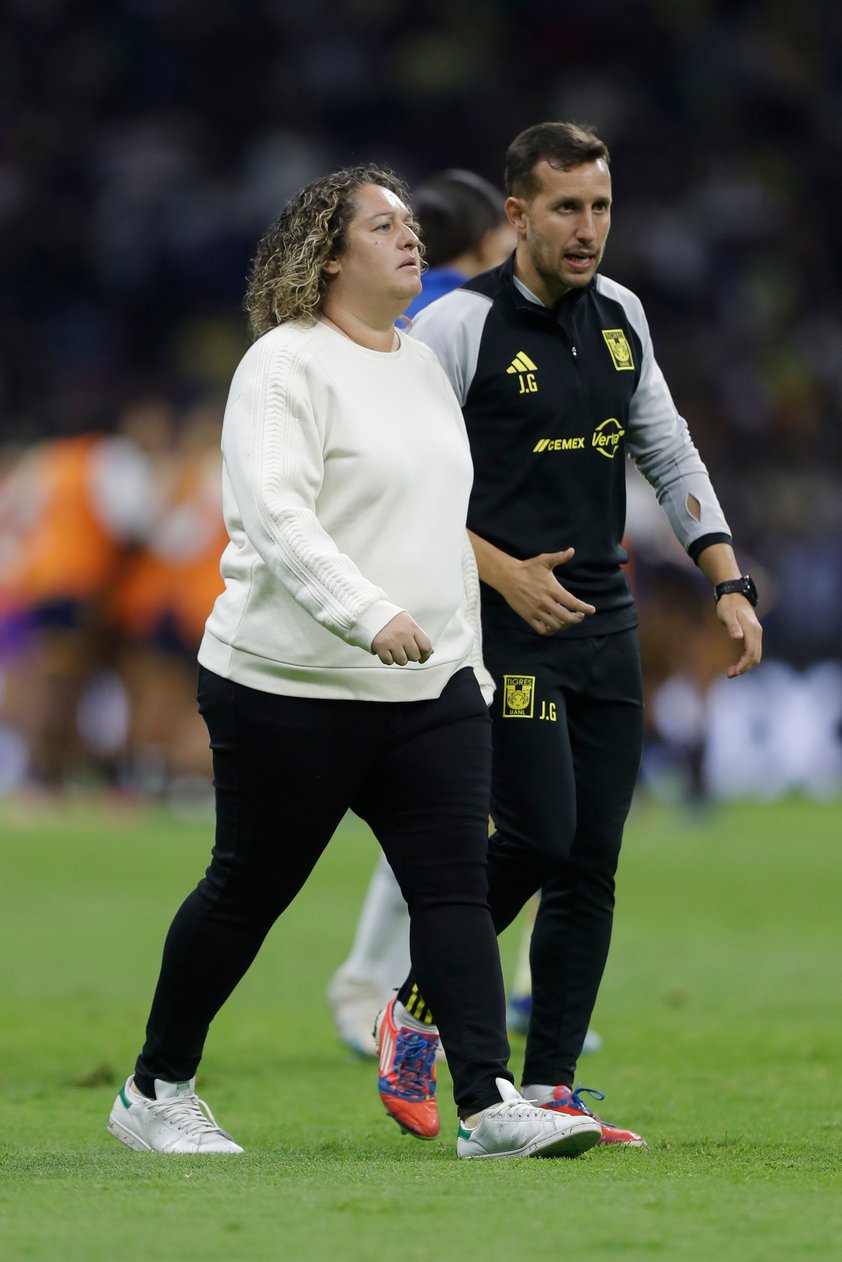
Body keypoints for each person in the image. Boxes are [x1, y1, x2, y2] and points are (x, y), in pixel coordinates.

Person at [105, 162, 602, 1161]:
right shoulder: (282, 367)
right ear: (327, 257)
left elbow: (435, 526)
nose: (410, 236)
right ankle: (155, 1087)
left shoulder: (418, 364)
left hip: (425, 689)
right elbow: (279, 519)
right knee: (246, 890)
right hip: (288, 686)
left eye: (410, 223)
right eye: (383, 226)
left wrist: (458, 660)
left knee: (454, 891)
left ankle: (484, 1101)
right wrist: (367, 612)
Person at [375, 122, 763, 1147]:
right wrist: (497, 566)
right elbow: (391, 484)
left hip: (604, 617)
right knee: (539, 833)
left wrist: (726, 576)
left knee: (590, 857)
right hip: (498, 620)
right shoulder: (456, 327)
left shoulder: (621, 315)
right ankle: (416, 1012)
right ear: (514, 214)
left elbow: (666, 447)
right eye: (564, 207)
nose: (586, 227)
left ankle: (548, 1084)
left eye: (598, 206)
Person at [326, 168, 516, 1057]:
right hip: (463, 584)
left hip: (409, 583)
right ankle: (384, 984)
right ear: (490, 242)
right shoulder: (461, 322)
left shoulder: (392, 320)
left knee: (462, 805)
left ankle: (445, 986)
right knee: (459, 804)